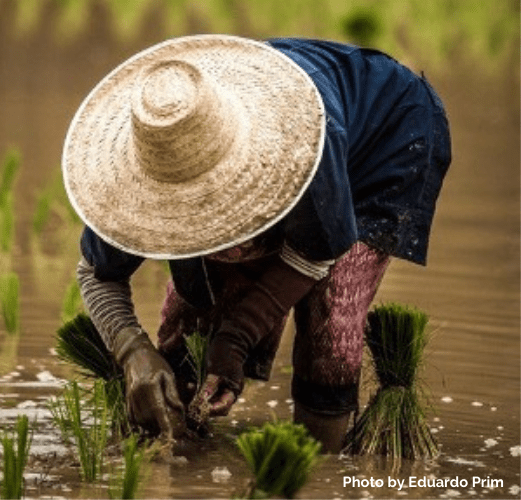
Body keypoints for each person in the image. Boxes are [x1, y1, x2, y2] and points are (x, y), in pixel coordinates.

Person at [62, 35, 451, 453]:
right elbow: (96, 273)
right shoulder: (135, 170)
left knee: (331, 317)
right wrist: (132, 351)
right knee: (193, 313)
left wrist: (239, 336)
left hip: (385, 137)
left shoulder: (302, 148)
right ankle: (181, 439)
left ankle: (315, 464)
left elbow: (319, 250)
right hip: (269, 134)